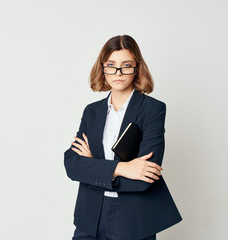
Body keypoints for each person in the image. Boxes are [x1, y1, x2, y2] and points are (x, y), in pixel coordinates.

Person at [64, 35, 182, 240]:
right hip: (90, 216)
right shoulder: (91, 112)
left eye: (126, 65)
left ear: (137, 68)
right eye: (111, 65)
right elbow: (72, 164)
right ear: (103, 68)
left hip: (133, 218)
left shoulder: (153, 110)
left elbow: (145, 178)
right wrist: (123, 168)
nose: (118, 72)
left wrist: (93, 168)